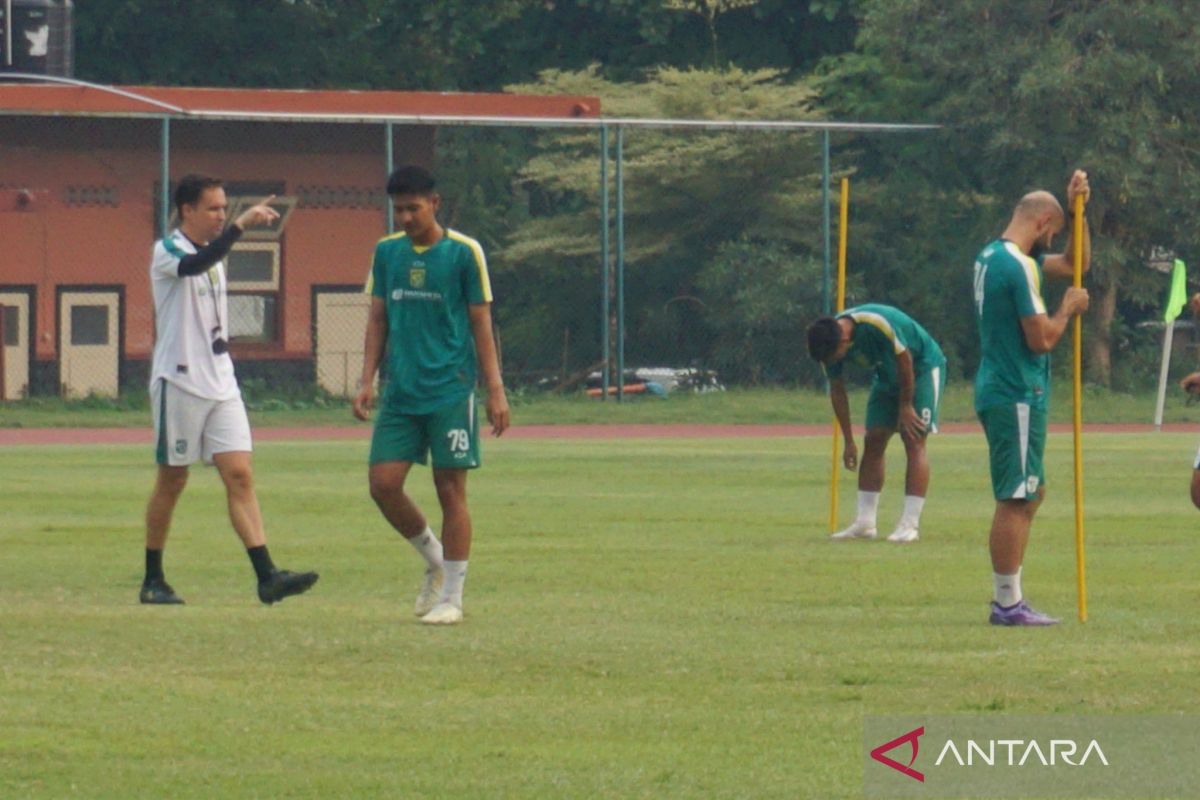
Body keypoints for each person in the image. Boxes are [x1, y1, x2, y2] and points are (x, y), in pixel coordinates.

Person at [140, 174, 319, 606]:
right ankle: (153, 578)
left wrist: (234, 230)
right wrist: (242, 225)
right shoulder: (167, 251)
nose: (222, 215)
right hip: (179, 380)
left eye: (225, 208)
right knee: (173, 478)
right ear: (187, 211)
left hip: (221, 379)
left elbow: (211, 265)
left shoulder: (217, 256)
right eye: (214, 208)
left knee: (239, 474)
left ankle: (267, 576)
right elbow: (193, 267)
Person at [353, 165, 510, 626]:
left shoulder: (464, 253)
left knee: (450, 488)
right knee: (383, 485)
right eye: (398, 209)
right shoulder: (387, 253)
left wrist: (495, 391)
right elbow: (378, 318)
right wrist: (366, 379)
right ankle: (435, 559)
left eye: (413, 208)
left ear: (434, 204)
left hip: (449, 390)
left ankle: (453, 597)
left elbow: (481, 324)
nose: (404, 217)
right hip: (400, 391)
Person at [973, 169, 1091, 626]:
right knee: (1016, 498)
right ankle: (1007, 604)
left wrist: (1078, 208)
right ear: (1042, 222)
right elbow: (1041, 338)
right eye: (1055, 231)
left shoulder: (992, 256)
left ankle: (1011, 597)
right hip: (1016, 391)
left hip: (1000, 386)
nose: (1054, 243)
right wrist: (1067, 308)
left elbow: (1077, 264)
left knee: (1031, 491)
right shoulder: (1018, 266)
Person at [807, 304, 946, 543]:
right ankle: (865, 523)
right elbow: (838, 391)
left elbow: (905, 360)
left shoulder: (875, 324)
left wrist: (905, 406)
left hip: (921, 367)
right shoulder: (827, 343)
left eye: (833, 357)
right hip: (886, 376)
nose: (832, 362)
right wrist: (849, 440)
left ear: (842, 341)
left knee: (913, 438)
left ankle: (909, 525)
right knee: (873, 439)